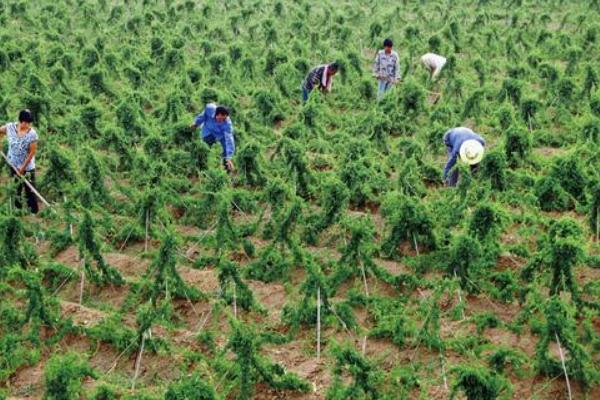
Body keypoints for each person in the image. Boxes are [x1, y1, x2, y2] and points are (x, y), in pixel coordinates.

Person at [0, 109, 39, 213]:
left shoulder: (32, 134)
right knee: (16, 187)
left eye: (29, 123)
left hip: (27, 167)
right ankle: (18, 210)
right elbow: (0, 131)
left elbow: (31, 153)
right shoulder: (10, 127)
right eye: (26, 122)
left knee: (30, 189)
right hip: (13, 163)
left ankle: (33, 211)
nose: (28, 125)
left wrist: (22, 168)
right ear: (21, 121)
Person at [190, 104, 235, 172]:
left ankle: (226, 170)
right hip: (208, 130)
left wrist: (229, 158)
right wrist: (196, 123)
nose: (222, 120)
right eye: (220, 118)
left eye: (224, 119)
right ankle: (201, 167)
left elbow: (229, 139)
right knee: (204, 147)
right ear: (217, 114)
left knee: (226, 150)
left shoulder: (227, 123)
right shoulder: (209, 109)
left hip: (221, 134)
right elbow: (202, 116)